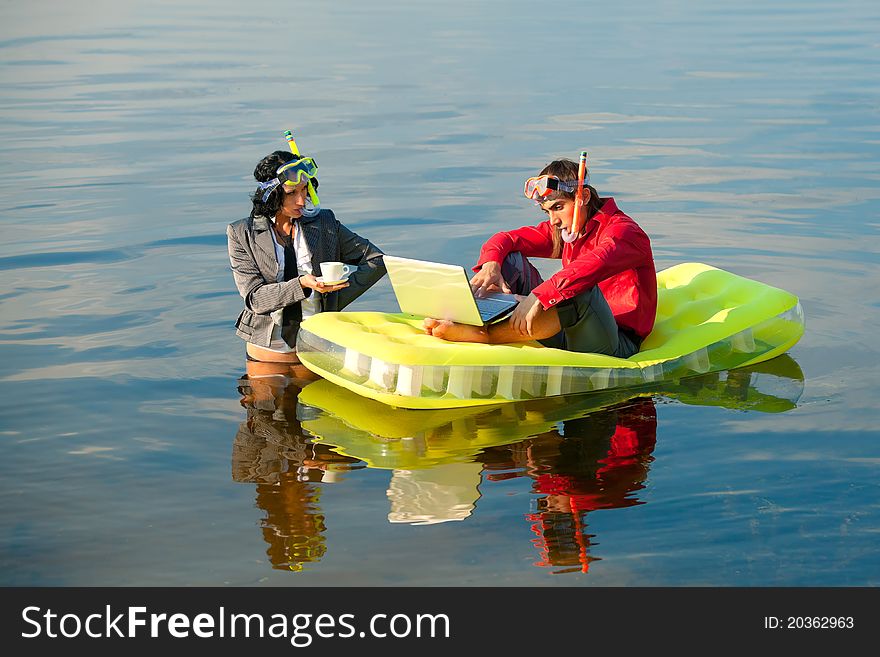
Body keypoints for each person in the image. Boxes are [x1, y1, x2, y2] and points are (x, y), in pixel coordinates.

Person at [424, 157, 656, 358]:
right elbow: (506, 239)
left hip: (613, 341)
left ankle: (484, 336)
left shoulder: (625, 233)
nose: (553, 220)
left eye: (559, 207)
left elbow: (591, 265)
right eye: (548, 212)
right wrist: (491, 265)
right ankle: (472, 319)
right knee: (510, 259)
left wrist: (539, 295)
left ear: (583, 197)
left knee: (578, 287)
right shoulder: (567, 230)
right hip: (564, 331)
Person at [227, 148, 386, 365]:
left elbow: (376, 260)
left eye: (304, 190)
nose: (301, 201)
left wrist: (333, 299)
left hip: (316, 348)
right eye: (292, 193)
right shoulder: (241, 233)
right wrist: (301, 285)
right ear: (272, 193)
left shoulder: (325, 224)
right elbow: (255, 299)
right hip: (266, 354)